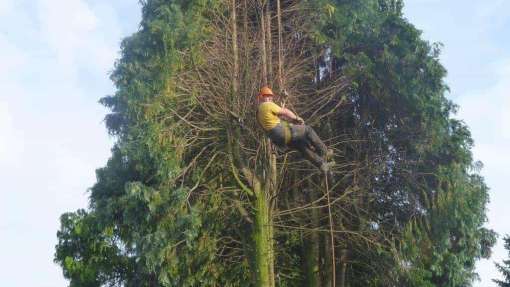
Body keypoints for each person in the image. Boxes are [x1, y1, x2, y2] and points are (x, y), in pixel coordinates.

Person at [256, 86, 332, 174]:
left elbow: (277, 119)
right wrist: (296, 118)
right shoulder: (267, 105)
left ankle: (322, 165)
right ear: (262, 97)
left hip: (279, 141)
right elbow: (285, 112)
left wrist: (291, 121)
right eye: (267, 96)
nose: (270, 99)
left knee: (301, 145)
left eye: (270, 97)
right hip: (283, 133)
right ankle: (324, 152)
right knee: (308, 130)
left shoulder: (258, 114)